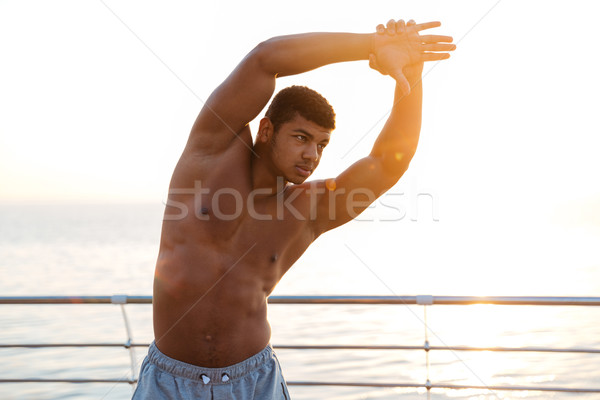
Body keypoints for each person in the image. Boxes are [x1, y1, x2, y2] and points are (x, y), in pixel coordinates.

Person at [133, 18, 455, 399]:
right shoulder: (213, 151)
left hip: (254, 382)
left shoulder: (310, 208)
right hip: (171, 382)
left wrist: (410, 75)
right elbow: (265, 59)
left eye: (321, 144)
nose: (311, 154)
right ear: (267, 130)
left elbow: (388, 163)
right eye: (301, 138)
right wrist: (372, 44)